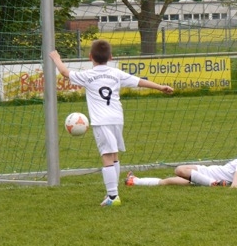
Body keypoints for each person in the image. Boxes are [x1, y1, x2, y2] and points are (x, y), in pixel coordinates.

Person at [49, 40, 174, 207]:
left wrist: (56, 58)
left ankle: (113, 197)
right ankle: (113, 193)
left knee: (107, 156)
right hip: (117, 119)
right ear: (111, 57)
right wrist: (160, 87)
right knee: (114, 155)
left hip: (101, 121)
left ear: (90, 57)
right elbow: (139, 81)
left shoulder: (88, 75)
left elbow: (65, 72)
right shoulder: (116, 73)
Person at [124, 130, 237, 188]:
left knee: (179, 170)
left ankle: (213, 184)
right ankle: (134, 181)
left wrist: (234, 185)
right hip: (209, 173)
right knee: (167, 181)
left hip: (211, 176)